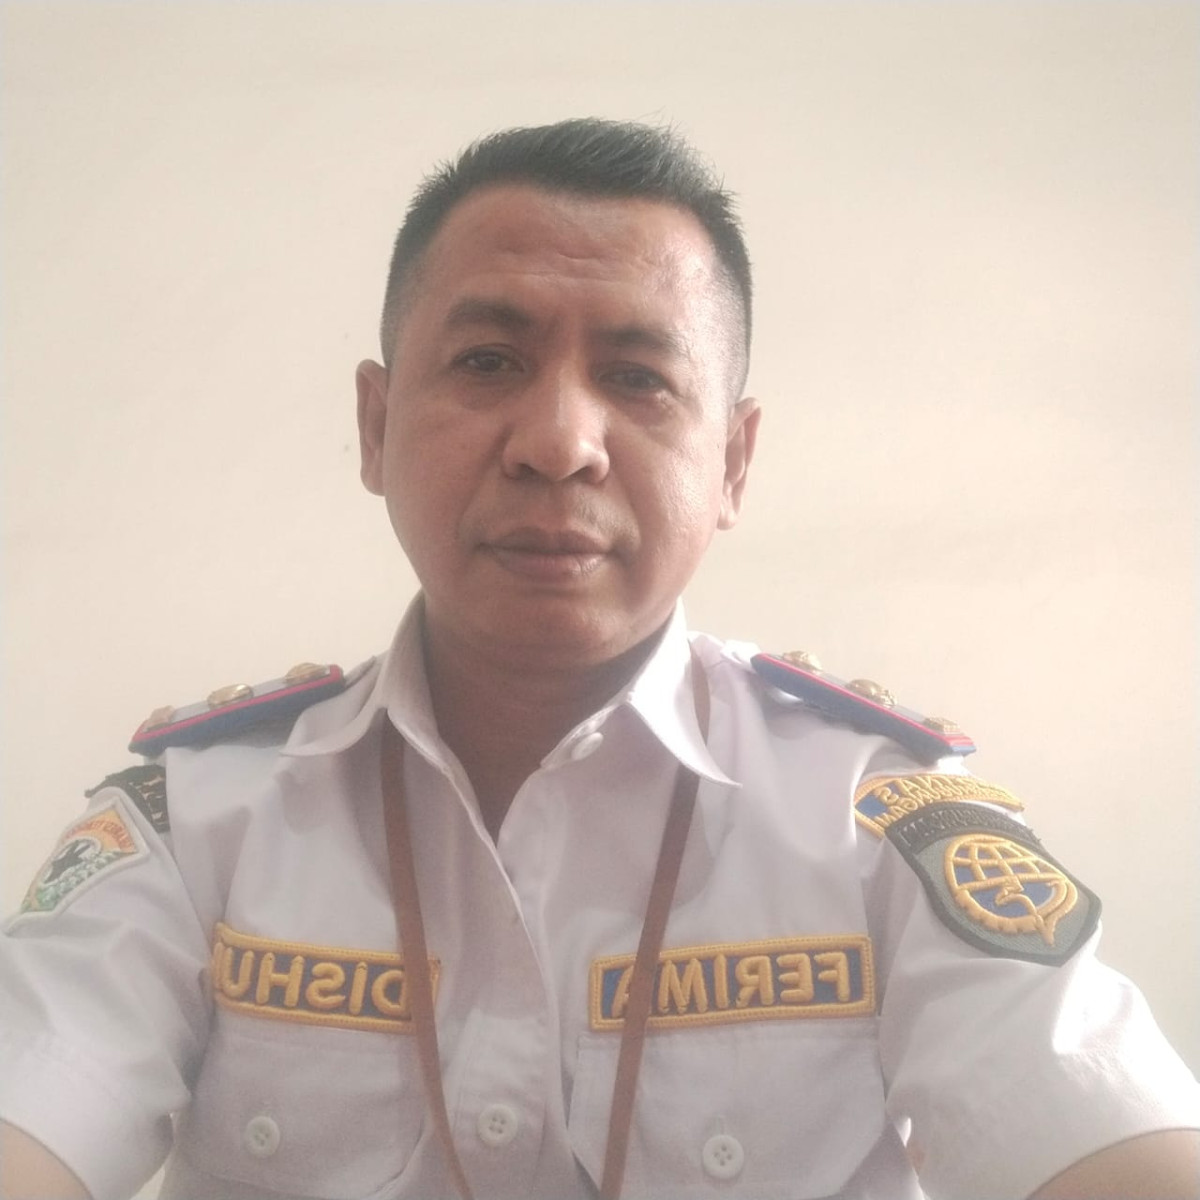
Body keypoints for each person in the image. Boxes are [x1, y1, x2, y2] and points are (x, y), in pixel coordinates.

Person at [1, 118, 1197, 1200]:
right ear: (375, 425)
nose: (560, 442)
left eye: (637, 378)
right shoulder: (196, 822)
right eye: (488, 362)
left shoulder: (875, 819)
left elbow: (1105, 1132)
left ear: (732, 463)